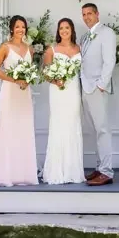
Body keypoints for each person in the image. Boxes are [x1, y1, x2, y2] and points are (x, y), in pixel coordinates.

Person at [0, 15, 38, 186]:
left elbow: (32, 70)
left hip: (24, 93)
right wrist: (14, 79)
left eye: (23, 27)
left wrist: (28, 79)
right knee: (9, 129)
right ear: (12, 29)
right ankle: (7, 174)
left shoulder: (29, 48)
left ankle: (24, 174)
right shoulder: (5, 47)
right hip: (10, 91)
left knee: (23, 129)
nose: (20, 30)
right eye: (17, 27)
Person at [41, 17, 84, 184]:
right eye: (61, 28)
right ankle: (56, 170)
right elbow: (45, 72)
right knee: (58, 125)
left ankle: (73, 170)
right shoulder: (52, 49)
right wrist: (55, 80)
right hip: (58, 91)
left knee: (73, 125)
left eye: (67, 27)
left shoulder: (79, 48)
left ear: (72, 30)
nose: (64, 31)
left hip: (73, 91)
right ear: (58, 31)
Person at [79, 3, 117, 186]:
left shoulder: (106, 33)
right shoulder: (85, 36)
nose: (86, 17)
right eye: (84, 14)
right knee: (94, 130)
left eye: (89, 14)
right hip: (85, 88)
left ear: (97, 14)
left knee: (102, 129)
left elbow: (110, 60)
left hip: (97, 88)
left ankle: (107, 171)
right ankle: (99, 166)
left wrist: (101, 85)